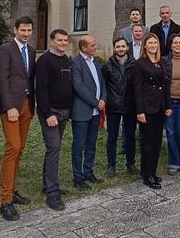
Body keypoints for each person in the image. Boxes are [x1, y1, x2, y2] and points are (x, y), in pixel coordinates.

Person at [0, 17, 36, 222]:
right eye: (23, 30)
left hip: (27, 105)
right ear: (15, 30)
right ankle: (5, 201)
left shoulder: (32, 51)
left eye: (29, 30)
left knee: (21, 148)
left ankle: (12, 190)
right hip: (11, 107)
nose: (26, 33)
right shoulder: (6, 49)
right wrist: (9, 106)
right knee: (13, 147)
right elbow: (2, 80)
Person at [36, 29, 74, 211]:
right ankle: (52, 193)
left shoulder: (65, 59)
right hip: (51, 112)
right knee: (54, 147)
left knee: (54, 149)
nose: (63, 43)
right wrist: (47, 113)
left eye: (65, 40)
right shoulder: (44, 61)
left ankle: (47, 185)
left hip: (64, 112)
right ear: (52, 41)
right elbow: (41, 89)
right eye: (60, 40)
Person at [132, 33, 172, 189]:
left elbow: (165, 86)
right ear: (145, 45)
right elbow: (137, 88)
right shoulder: (139, 64)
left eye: (155, 43)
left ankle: (152, 172)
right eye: (150, 43)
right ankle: (147, 175)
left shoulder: (162, 62)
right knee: (148, 143)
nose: (153, 45)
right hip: (147, 108)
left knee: (157, 142)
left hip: (160, 107)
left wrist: (168, 105)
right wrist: (140, 111)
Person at [71, 35, 106, 190]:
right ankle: (78, 178)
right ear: (84, 48)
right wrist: (95, 102)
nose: (95, 47)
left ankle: (88, 172)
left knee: (91, 144)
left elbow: (102, 84)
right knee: (79, 146)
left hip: (95, 112)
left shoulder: (95, 62)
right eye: (92, 45)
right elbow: (78, 87)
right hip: (82, 112)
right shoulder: (76, 63)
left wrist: (103, 98)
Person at [101, 37, 137, 176]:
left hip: (130, 105)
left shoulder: (134, 64)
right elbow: (104, 85)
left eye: (123, 46)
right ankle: (111, 166)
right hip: (113, 105)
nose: (121, 49)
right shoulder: (107, 65)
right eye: (118, 46)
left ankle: (131, 164)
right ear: (114, 48)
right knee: (112, 137)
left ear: (127, 47)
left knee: (130, 137)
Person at [162, 34, 180, 175]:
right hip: (169, 102)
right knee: (171, 132)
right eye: (175, 43)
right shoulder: (164, 61)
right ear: (170, 45)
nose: (177, 45)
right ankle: (174, 162)